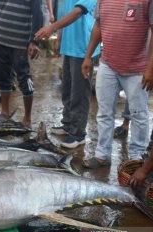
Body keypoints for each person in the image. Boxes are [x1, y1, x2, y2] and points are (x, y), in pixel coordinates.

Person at [81, 0, 153, 168]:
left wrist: (150, 67)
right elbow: (98, 26)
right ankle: (102, 155)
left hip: (138, 68)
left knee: (139, 114)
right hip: (108, 64)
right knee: (104, 113)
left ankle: (137, 157)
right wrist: (88, 56)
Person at [35, 0, 100, 149]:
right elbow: (66, 13)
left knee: (80, 93)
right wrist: (59, 39)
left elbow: (77, 12)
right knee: (67, 90)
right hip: (69, 44)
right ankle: (68, 125)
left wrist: (52, 27)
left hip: (83, 46)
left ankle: (78, 134)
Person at [0, 0, 42, 128]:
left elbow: (37, 16)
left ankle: (27, 117)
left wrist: (34, 41)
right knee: (3, 78)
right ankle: (5, 112)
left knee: (25, 79)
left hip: (20, 44)